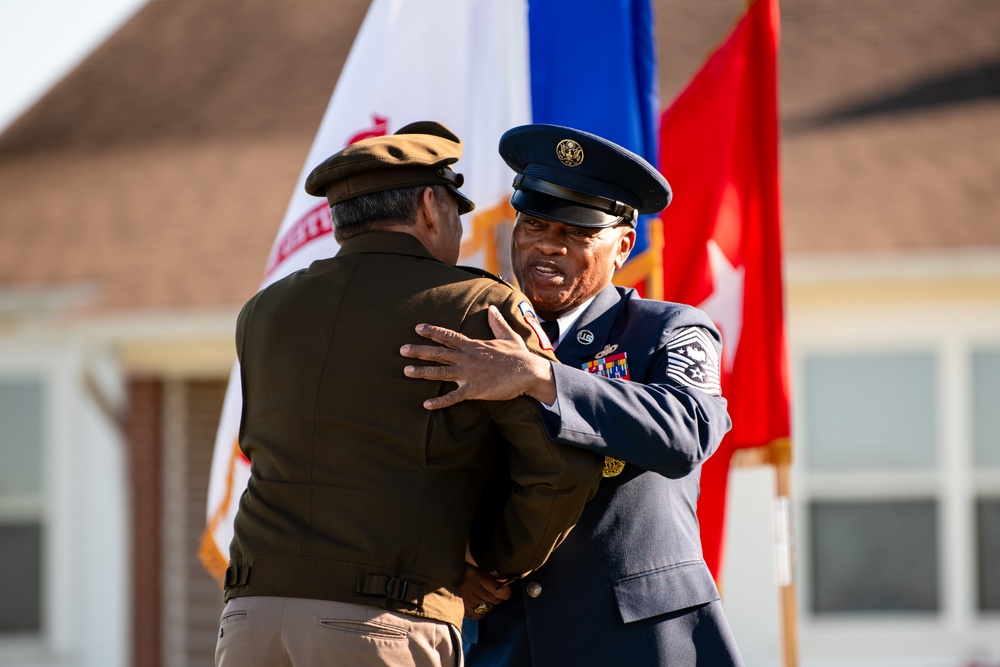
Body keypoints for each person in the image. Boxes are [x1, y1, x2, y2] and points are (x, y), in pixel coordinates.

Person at [215, 121, 602, 667]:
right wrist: (492, 564)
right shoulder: (477, 305)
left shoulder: (265, 310)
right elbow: (561, 464)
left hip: (250, 619)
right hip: (381, 621)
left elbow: (270, 453)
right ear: (428, 206)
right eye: (455, 208)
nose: (461, 226)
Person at [400, 123, 744, 666]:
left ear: (623, 247)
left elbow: (688, 430)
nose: (548, 247)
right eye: (534, 223)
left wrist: (542, 378)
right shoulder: (474, 335)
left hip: (641, 640)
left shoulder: (669, 328)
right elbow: (422, 468)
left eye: (577, 234)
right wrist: (453, 561)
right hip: (510, 640)